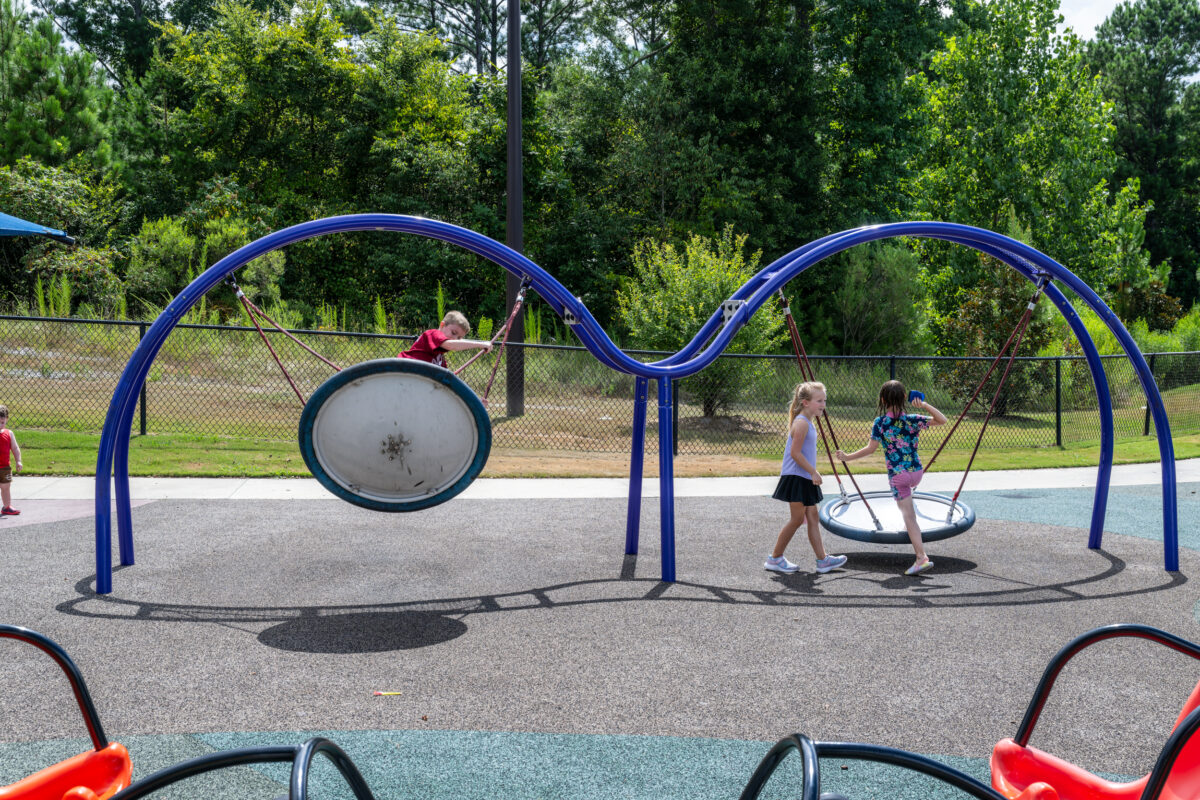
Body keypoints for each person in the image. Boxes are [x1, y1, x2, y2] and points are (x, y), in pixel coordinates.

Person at [837, 380, 947, 575]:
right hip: (916, 472)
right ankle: (909, 528)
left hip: (899, 476)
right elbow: (942, 420)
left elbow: (870, 449)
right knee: (905, 509)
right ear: (905, 398)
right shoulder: (912, 419)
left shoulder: (880, 423)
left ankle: (921, 557)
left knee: (909, 515)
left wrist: (847, 457)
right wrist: (924, 405)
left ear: (882, 399)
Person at [765, 382, 848, 575]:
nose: (823, 404)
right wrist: (813, 471)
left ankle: (822, 560)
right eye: (819, 401)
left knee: (812, 517)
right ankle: (775, 558)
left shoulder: (807, 422)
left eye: (824, 400)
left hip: (803, 476)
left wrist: (810, 473)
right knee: (796, 519)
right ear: (805, 402)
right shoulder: (801, 423)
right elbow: (795, 453)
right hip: (797, 477)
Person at [396, 311, 493, 368]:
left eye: (459, 338)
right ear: (442, 325)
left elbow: (447, 380)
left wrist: (475, 402)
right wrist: (481, 344)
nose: (455, 339)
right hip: (403, 369)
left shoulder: (440, 358)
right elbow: (451, 345)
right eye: (453, 333)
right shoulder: (433, 334)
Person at [0, 405, 22, 516]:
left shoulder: (9, 433)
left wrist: (18, 461)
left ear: (6, 419)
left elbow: (15, 448)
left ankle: (7, 507)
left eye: (2, 422)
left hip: (5, 467)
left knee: (6, 486)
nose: (0, 425)